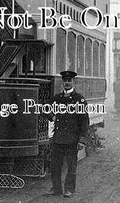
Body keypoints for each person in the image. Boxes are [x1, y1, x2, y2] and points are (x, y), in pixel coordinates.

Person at [45, 70, 89, 198]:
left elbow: (84, 121)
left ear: (73, 82)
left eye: (69, 81)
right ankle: (57, 189)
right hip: (58, 138)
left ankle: (69, 189)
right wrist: (52, 116)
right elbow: (45, 108)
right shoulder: (57, 98)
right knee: (55, 166)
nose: (67, 83)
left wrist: (81, 140)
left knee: (71, 167)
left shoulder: (79, 99)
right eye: (65, 81)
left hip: (72, 139)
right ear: (62, 82)